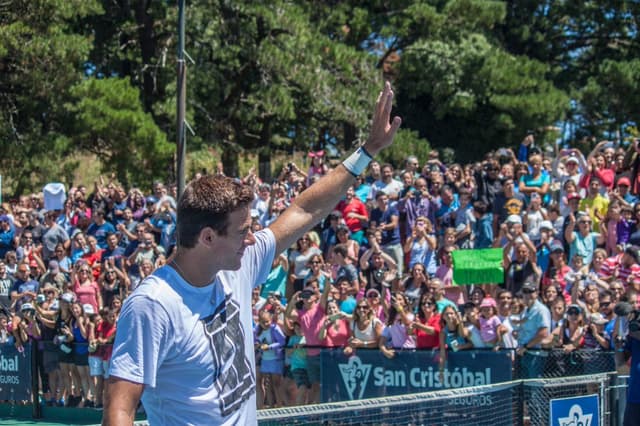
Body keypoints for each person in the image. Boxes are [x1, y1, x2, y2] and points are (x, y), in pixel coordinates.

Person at [103, 82, 401, 425]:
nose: (252, 240)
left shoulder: (235, 265)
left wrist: (369, 149)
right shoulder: (152, 305)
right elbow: (119, 410)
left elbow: (305, 210)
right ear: (208, 237)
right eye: (243, 231)